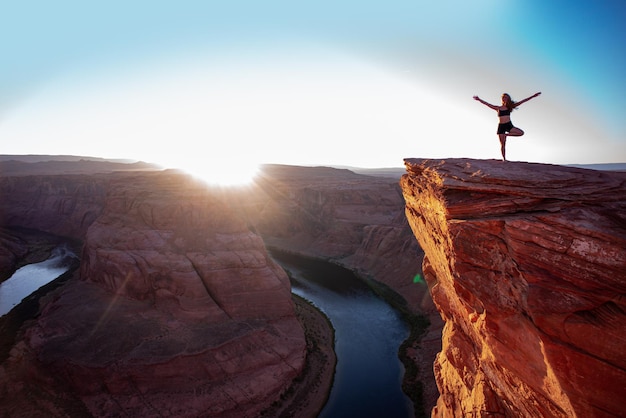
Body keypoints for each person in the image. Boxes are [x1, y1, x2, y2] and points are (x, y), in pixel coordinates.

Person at [473, 92, 541, 160]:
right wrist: (479, 99)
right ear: (502, 99)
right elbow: (488, 104)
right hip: (501, 126)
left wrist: (533, 96)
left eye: (506, 97)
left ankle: (506, 135)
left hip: (508, 125)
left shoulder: (509, 107)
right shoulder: (498, 108)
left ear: (508, 99)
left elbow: (523, 101)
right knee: (503, 145)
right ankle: (504, 159)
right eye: (503, 97)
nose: (504, 98)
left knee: (521, 133)